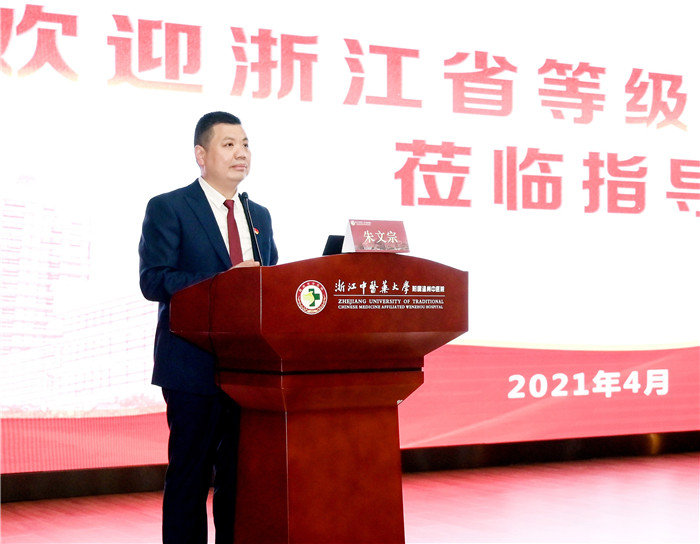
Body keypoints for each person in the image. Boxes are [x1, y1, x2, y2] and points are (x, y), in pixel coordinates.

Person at [138, 111, 278, 544]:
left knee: (239, 480)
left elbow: (267, 284)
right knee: (190, 477)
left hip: (246, 371)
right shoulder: (169, 207)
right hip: (190, 367)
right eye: (229, 144)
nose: (241, 153)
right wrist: (224, 281)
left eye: (246, 144)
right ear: (201, 155)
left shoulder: (258, 214)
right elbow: (154, 280)